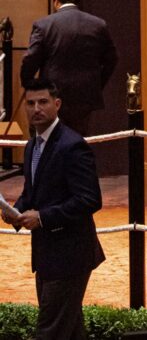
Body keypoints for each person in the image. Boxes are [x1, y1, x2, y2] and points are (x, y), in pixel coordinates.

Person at [1, 79, 105, 340]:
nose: (37, 108)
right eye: (31, 103)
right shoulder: (32, 146)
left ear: (57, 105)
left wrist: (43, 217)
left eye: (43, 102)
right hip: (47, 254)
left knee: (50, 331)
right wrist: (15, 211)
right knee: (69, 331)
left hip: (70, 256)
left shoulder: (72, 145)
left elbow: (90, 199)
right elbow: (33, 192)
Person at [20, 0, 118, 136]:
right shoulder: (98, 25)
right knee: (77, 143)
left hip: (51, 95)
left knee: (47, 143)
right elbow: (112, 59)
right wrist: (97, 84)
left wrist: (28, 85)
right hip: (84, 96)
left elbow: (30, 59)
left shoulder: (44, 25)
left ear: (55, 0)